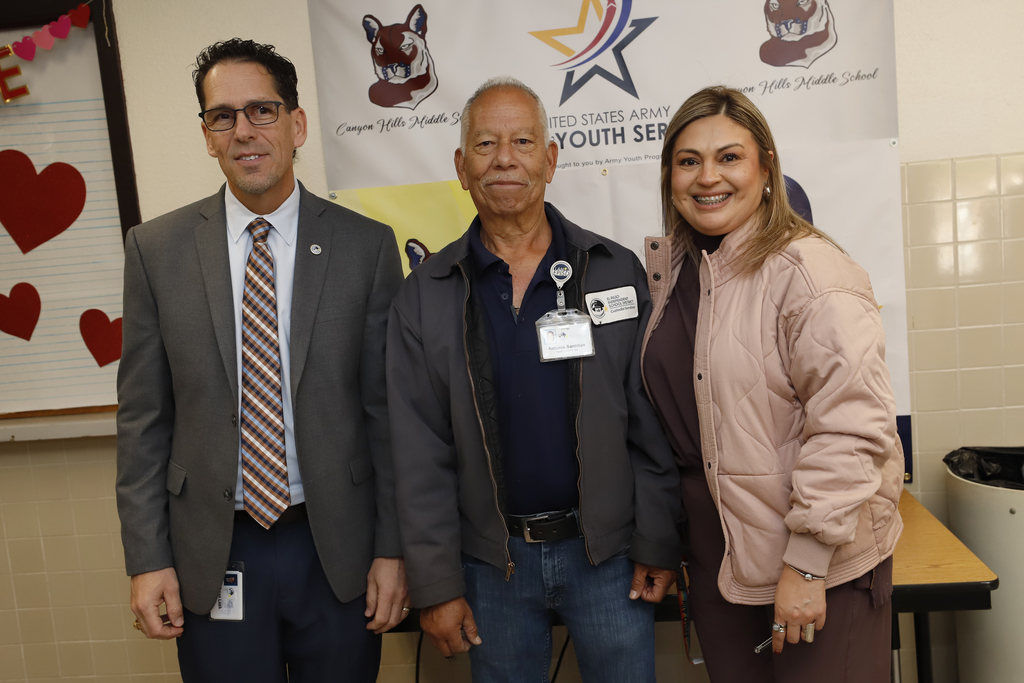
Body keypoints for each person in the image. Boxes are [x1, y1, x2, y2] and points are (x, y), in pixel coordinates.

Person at [115, 38, 407, 682]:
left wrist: (393, 551)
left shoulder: (367, 247)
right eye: (223, 116)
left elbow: (388, 416)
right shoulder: (155, 250)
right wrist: (147, 558)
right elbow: (143, 422)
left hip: (335, 549)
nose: (243, 131)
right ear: (207, 135)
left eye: (262, 111)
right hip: (214, 550)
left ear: (297, 124)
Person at [386, 77, 682, 682]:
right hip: (492, 566)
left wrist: (656, 538)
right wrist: (436, 583)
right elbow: (418, 455)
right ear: (461, 167)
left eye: (522, 141)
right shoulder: (426, 295)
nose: (504, 159)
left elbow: (648, 420)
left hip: (608, 556)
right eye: (486, 144)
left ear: (549, 159)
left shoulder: (613, 271)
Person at [641, 85, 904, 681]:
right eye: (689, 161)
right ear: (669, 176)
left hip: (815, 558)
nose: (708, 177)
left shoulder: (810, 271)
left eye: (729, 157)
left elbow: (853, 425)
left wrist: (808, 565)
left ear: (766, 170)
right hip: (719, 559)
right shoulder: (678, 272)